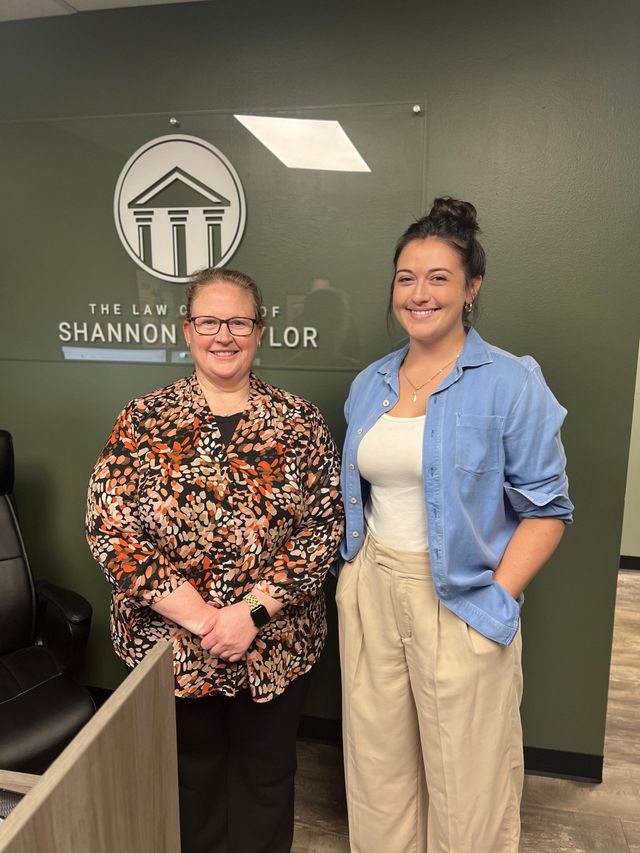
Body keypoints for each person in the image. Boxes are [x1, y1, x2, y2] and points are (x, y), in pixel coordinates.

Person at [337, 198, 573, 853]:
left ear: (471, 289)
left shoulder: (511, 385)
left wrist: (496, 600)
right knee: (378, 764)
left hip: (462, 595)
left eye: (438, 277)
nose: (419, 293)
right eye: (406, 277)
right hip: (371, 588)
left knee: (469, 780)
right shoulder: (370, 384)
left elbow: (547, 511)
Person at [86, 267, 344, 853]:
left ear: (259, 331)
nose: (223, 335)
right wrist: (206, 619)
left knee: (266, 780)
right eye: (209, 320)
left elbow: (322, 528)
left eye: (238, 321)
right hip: (174, 649)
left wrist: (249, 614)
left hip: (273, 646)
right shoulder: (143, 420)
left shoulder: (299, 422)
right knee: (189, 785)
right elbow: (111, 529)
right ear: (187, 328)